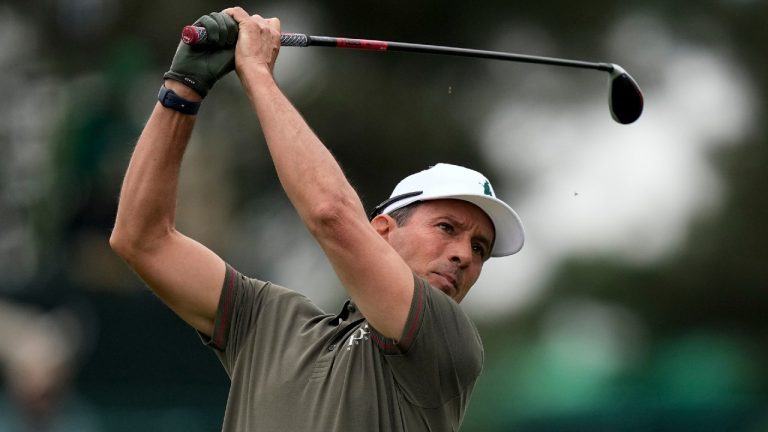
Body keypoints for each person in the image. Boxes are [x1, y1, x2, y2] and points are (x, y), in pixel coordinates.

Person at [110, 7, 524, 431]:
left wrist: (256, 74)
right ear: (382, 230)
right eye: (447, 228)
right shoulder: (266, 319)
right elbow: (142, 240)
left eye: (479, 249)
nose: (463, 256)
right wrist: (182, 90)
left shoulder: (447, 342)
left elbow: (331, 214)